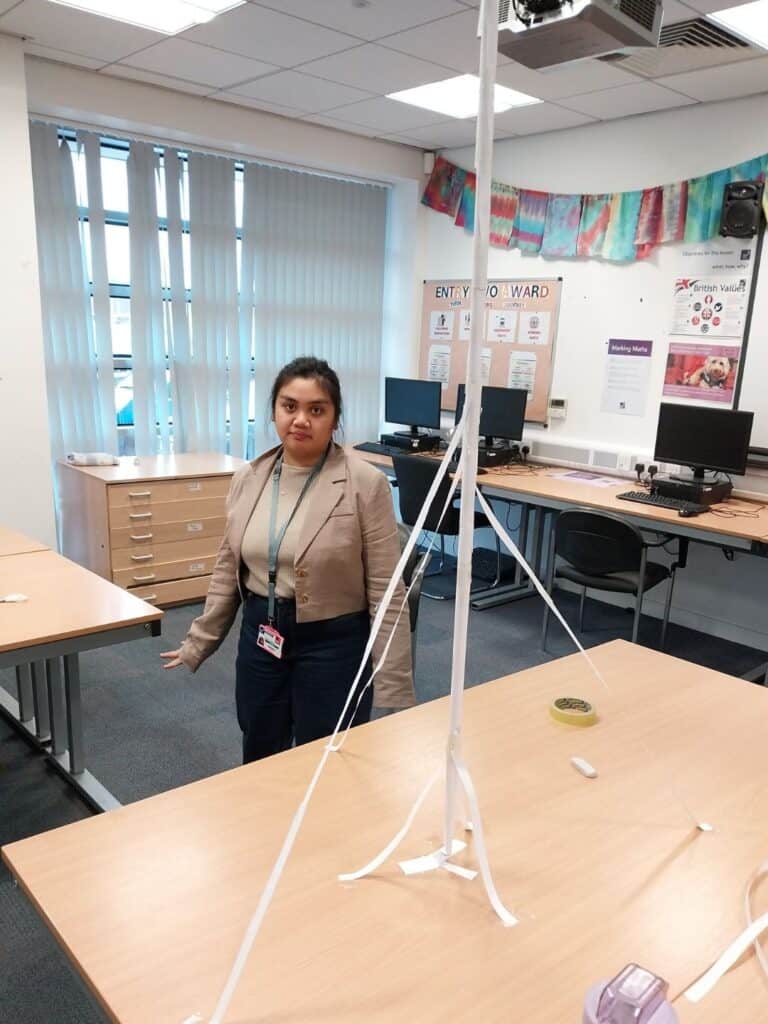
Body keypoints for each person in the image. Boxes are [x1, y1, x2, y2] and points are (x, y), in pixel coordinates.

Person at [161, 356, 414, 763]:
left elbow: (387, 588)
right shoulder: (249, 478)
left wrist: (393, 683)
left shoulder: (366, 484)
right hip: (262, 634)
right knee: (260, 747)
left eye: (317, 410)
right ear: (274, 411)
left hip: (334, 643)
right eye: (289, 406)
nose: (301, 420)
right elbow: (229, 568)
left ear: (334, 418)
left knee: (327, 759)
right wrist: (198, 642)